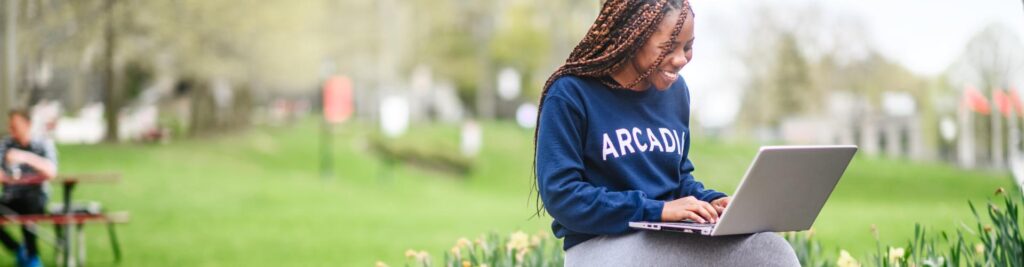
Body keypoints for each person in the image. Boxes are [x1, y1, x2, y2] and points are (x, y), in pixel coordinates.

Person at [532, 0, 800, 265]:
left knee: (770, 249)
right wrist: (657, 210)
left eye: (689, 46)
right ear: (632, 38)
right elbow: (562, 196)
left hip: (663, 237)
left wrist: (712, 202)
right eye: (668, 47)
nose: (681, 59)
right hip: (597, 245)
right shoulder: (570, 94)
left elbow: (677, 178)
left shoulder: (676, 93)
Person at [0, 109, 58, 267]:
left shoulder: (42, 143)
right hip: (11, 197)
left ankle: (32, 256)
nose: (12, 131)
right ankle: (18, 249)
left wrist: (25, 157)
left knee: (29, 206)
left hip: (35, 198)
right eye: (10, 127)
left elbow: (52, 171)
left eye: (15, 127)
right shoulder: (6, 144)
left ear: (28, 125)